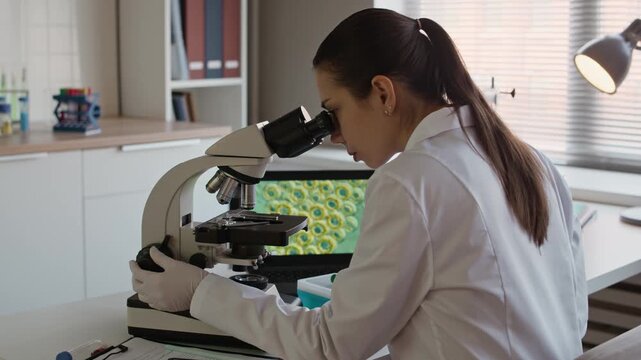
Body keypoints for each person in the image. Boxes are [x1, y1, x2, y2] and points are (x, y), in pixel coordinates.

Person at [130, 8, 587, 359]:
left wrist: (199, 292)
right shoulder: (532, 161)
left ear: (384, 93)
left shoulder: (413, 179)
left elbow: (331, 345)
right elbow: (574, 318)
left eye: (335, 110)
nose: (333, 132)